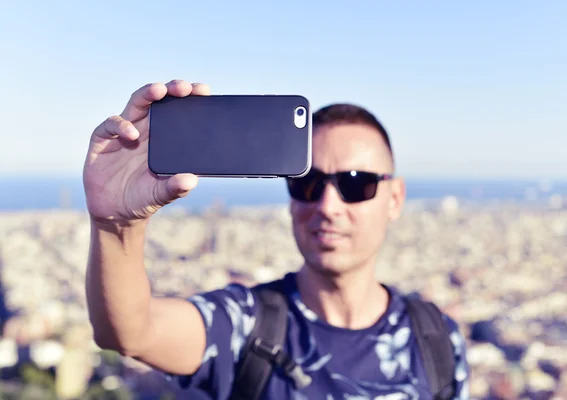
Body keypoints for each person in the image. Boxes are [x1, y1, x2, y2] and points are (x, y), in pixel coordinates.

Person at [84, 80, 469, 399]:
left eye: (357, 184)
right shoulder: (247, 325)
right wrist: (117, 224)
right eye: (308, 182)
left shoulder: (435, 340)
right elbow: (132, 331)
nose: (328, 205)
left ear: (395, 198)